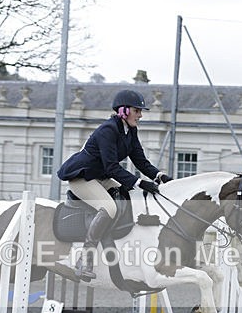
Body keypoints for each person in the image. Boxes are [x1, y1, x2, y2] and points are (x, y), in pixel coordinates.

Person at [57, 89, 173, 281]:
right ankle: (84, 259)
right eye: (137, 111)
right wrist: (140, 182)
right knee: (109, 207)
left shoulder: (130, 130)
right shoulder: (108, 130)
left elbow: (141, 161)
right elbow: (111, 167)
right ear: (124, 111)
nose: (141, 115)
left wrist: (160, 176)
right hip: (82, 177)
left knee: (128, 198)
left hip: (100, 176)